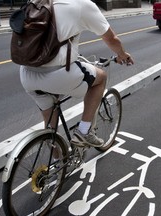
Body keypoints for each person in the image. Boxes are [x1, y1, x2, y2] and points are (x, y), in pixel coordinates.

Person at [19, 0, 134, 147]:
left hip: (27, 74)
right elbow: (111, 39)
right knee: (101, 78)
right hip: (59, 75)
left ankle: (56, 164)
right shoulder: (82, 4)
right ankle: (84, 132)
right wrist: (122, 55)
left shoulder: (37, 1)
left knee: (50, 130)